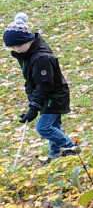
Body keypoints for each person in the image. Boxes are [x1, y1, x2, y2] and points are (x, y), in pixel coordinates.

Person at [4, 12, 77, 163]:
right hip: (46, 96)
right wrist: (32, 100)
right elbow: (31, 80)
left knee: (43, 128)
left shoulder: (40, 58)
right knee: (54, 126)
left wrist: (34, 107)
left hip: (54, 96)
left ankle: (72, 147)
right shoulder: (26, 54)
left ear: (29, 40)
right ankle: (56, 155)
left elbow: (44, 85)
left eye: (18, 45)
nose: (16, 49)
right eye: (12, 47)